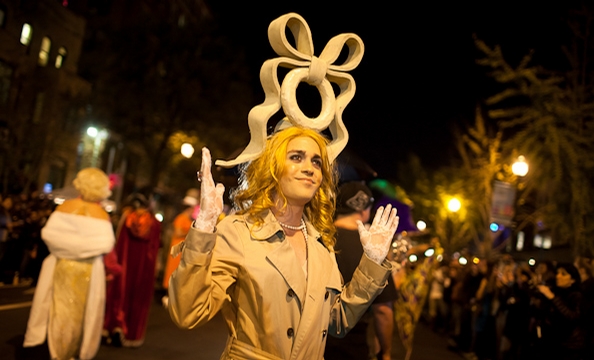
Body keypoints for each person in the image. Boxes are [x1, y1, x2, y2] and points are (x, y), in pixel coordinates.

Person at [167, 126, 399, 359]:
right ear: (273, 167)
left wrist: (372, 262)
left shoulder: (321, 244)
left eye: (317, 162)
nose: (309, 168)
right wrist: (204, 226)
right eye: (296, 157)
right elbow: (188, 313)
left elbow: (337, 322)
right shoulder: (239, 232)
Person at [23, 168, 115, 360]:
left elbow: (48, 235)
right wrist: (85, 250)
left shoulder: (64, 207)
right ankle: (71, 352)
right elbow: (106, 244)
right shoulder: (100, 215)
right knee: (82, 314)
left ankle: (55, 350)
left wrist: (65, 250)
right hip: (87, 270)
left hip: (61, 265)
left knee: (57, 308)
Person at [324, 181, 398, 360]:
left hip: (315, 343)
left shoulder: (316, 239)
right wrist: (386, 352)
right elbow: (383, 311)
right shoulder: (372, 247)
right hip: (353, 345)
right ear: (364, 209)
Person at [103, 193, 161, 347]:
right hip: (144, 268)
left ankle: (114, 325)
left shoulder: (127, 219)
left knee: (119, 294)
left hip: (125, 264)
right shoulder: (154, 223)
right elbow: (154, 247)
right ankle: (131, 333)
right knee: (138, 298)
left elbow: (117, 242)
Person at [535, 262, 585, 360]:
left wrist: (552, 297)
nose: (558, 276)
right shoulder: (557, 292)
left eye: (563, 274)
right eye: (557, 273)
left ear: (573, 279)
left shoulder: (576, 295)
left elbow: (573, 317)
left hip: (570, 345)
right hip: (556, 343)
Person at [161, 188, 199, 307]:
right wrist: (190, 233)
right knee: (173, 270)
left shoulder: (188, 219)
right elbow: (177, 233)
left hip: (182, 249)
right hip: (177, 248)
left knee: (180, 271)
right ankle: (168, 295)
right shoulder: (180, 218)